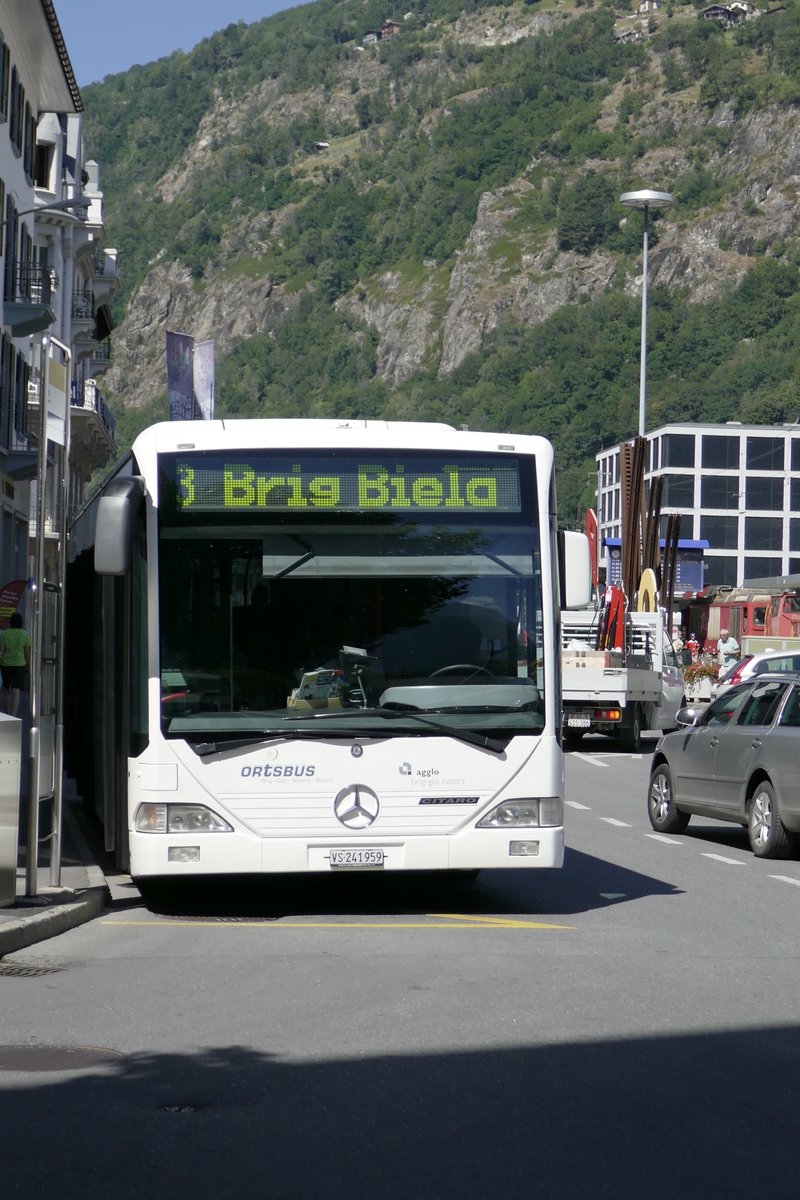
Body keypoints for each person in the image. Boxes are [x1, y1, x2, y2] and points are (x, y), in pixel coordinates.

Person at [0, 612, 31, 716]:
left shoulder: (4, 634)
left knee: (6, 689)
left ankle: (7, 714)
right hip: (20, 665)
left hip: (6, 664)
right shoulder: (25, 634)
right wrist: (29, 666)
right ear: (21, 623)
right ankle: (13, 715)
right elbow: (27, 652)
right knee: (16, 691)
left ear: (11, 622)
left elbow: (1, 650)